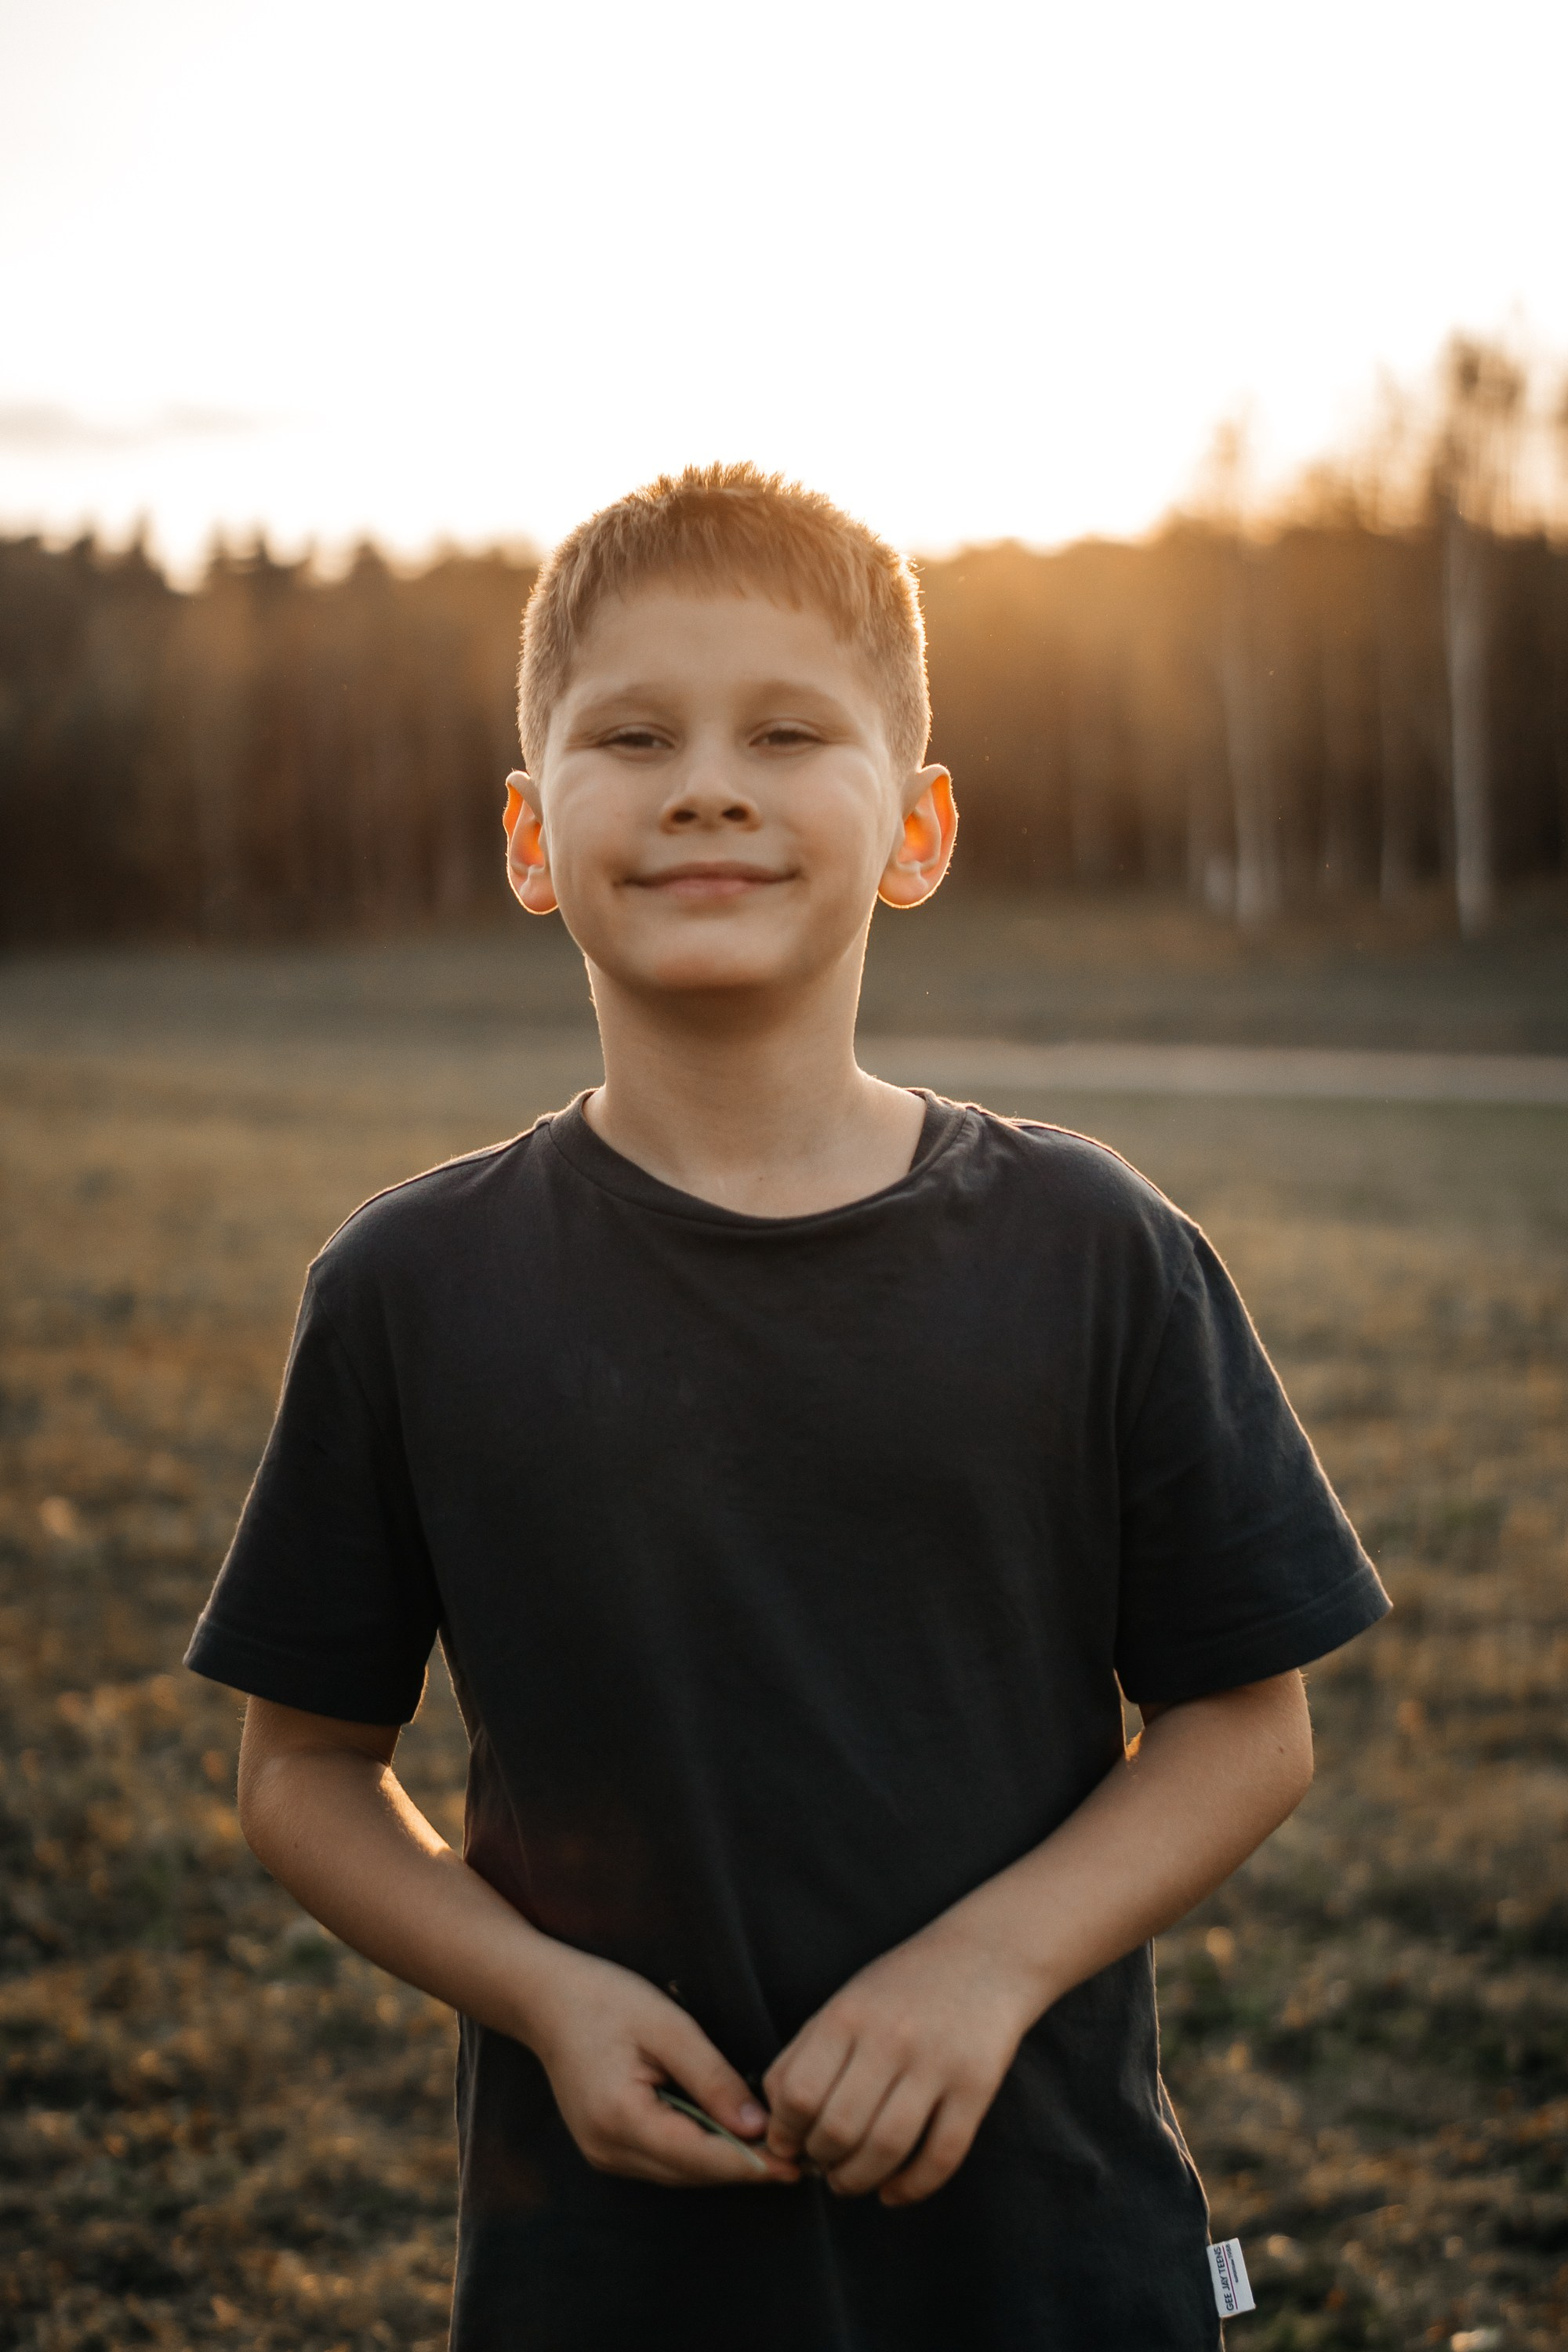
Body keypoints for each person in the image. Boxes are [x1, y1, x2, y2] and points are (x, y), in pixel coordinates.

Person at [186, 463, 1389, 2350]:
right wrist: (541, 1996)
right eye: (636, 733)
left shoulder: (1093, 1249)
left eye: (787, 731)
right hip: (608, 2271)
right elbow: (302, 1773)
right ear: (529, 835)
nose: (709, 785)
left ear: (916, 830)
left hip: (1043, 2257)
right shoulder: (409, 1291)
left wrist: (987, 1968)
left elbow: (1248, 1726)